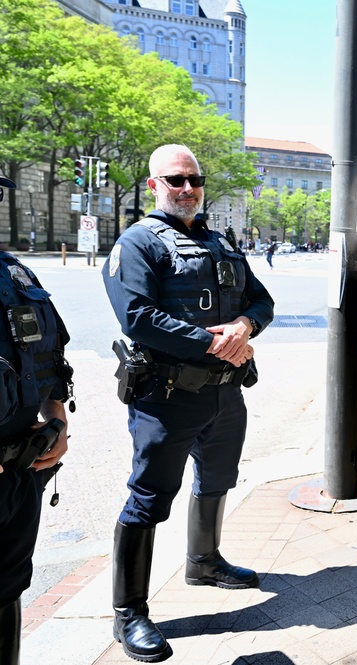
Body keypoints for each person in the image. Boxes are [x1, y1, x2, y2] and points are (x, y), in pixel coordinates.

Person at [102, 144, 274, 662]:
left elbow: (260, 301)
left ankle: (204, 561)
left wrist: (245, 326)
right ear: (154, 185)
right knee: (149, 498)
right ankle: (128, 611)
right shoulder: (137, 243)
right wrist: (212, 343)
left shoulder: (221, 242)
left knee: (218, 479)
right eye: (175, 180)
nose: (187, 188)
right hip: (167, 398)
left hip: (225, 393)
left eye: (194, 180)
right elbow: (137, 317)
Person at [0, 175, 73, 665]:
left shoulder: (14, 274)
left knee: (5, 589)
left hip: (18, 473)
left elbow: (47, 354)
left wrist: (56, 415)